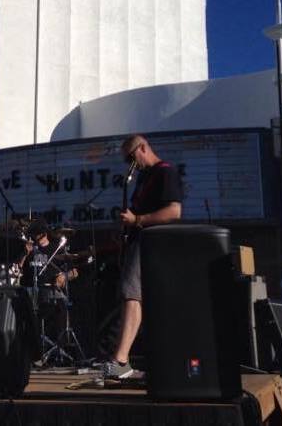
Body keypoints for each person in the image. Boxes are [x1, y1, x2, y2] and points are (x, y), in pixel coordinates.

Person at [102, 134, 183, 380]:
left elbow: (174, 211)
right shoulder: (144, 177)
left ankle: (120, 360)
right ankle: (129, 361)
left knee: (132, 294)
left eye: (131, 158)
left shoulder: (165, 172)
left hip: (152, 242)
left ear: (143, 148)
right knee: (135, 297)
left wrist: (137, 219)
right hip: (141, 241)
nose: (130, 164)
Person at [19, 218, 79, 348]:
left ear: (44, 234)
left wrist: (64, 276)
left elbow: (74, 272)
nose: (34, 238)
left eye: (36, 235)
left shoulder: (56, 249)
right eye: (32, 235)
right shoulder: (29, 251)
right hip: (32, 291)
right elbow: (18, 270)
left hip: (51, 290)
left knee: (62, 304)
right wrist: (25, 254)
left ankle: (62, 346)